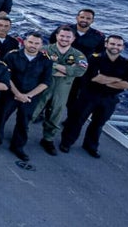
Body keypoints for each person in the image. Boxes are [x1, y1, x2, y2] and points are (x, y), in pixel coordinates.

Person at [59, 35, 128, 158]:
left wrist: (104, 79)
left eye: (118, 45)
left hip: (109, 100)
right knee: (76, 121)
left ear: (123, 47)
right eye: (112, 44)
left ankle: (90, 146)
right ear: (106, 44)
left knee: (98, 124)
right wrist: (118, 80)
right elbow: (92, 78)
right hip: (89, 96)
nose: (115, 47)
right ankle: (66, 143)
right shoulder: (94, 59)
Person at [0, 32, 53, 161]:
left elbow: (45, 82)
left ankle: (18, 146)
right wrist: (17, 94)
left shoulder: (46, 61)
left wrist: (27, 96)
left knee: (24, 122)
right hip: (10, 93)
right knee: (0, 117)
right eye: (30, 42)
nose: (33, 46)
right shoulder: (12, 56)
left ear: (42, 45)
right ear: (24, 42)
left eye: (37, 43)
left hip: (31, 96)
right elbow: (6, 76)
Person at [31, 26, 88, 155]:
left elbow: (80, 71)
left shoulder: (78, 55)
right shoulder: (44, 50)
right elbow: (37, 67)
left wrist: (52, 66)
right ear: (56, 36)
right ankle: (21, 135)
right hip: (42, 88)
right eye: (62, 36)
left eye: (68, 37)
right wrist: (67, 70)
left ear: (73, 39)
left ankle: (48, 139)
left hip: (62, 91)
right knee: (32, 111)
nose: (64, 39)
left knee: (55, 115)